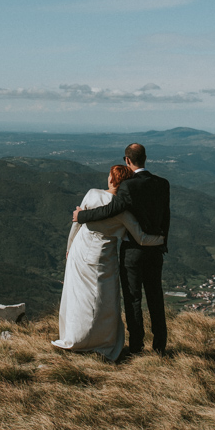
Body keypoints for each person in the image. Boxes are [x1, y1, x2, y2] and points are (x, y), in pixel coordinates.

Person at [53, 165, 163, 360]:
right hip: (104, 256)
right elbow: (141, 238)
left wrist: (69, 248)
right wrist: (161, 239)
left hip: (81, 249)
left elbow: (76, 224)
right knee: (104, 300)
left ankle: (75, 336)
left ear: (112, 179)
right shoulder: (124, 211)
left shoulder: (91, 194)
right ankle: (101, 340)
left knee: (78, 295)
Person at [72, 143, 171, 354]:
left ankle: (136, 346)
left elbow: (111, 210)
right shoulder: (163, 184)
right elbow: (166, 216)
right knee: (156, 297)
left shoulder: (128, 185)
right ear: (145, 158)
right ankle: (160, 347)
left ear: (127, 160)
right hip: (155, 250)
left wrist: (82, 216)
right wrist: (164, 241)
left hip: (133, 251)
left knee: (133, 299)